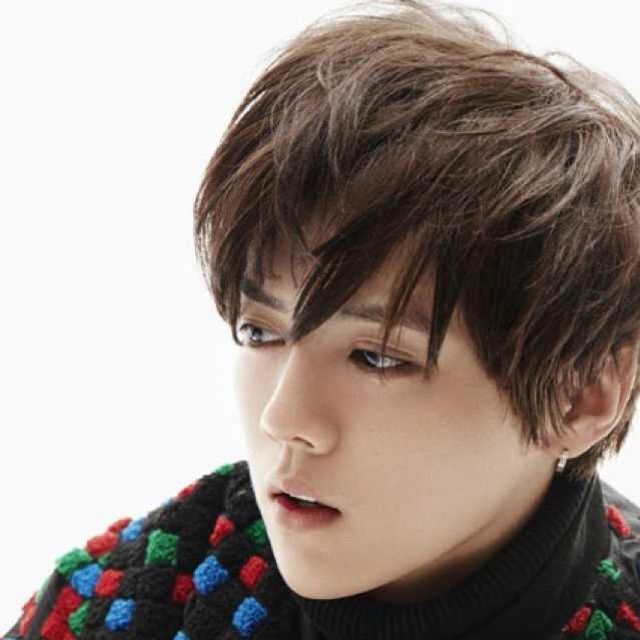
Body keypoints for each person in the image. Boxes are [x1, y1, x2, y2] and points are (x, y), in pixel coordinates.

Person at [5, 1, 640, 639]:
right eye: (260, 332)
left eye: (377, 356)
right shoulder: (115, 607)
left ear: (581, 396)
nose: (282, 418)